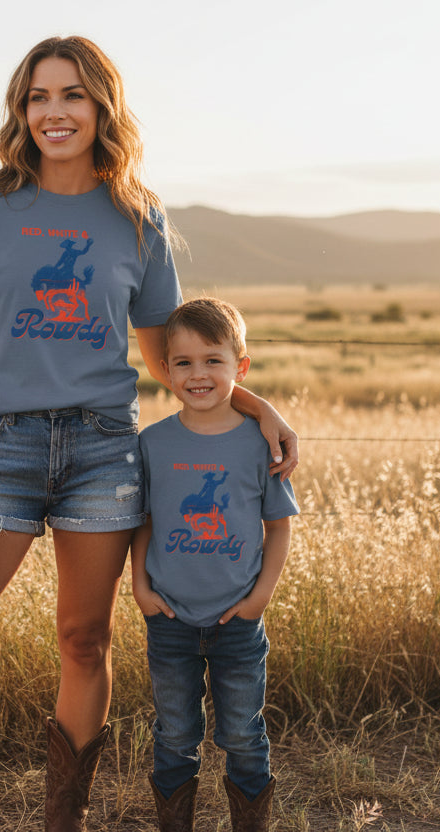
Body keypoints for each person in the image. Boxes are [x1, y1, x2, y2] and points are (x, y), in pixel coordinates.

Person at [0, 36, 299, 832]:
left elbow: (170, 357)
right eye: (38, 97)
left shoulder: (137, 218)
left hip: (102, 452)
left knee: (83, 641)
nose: (54, 112)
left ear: (101, 107)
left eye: (72, 95)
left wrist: (255, 407)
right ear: (21, 110)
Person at [130, 298, 299, 832]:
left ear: (240, 367)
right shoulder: (153, 443)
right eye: (183, 363)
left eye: (213, 361)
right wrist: (140, 588)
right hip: (170, 619)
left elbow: (279, 526)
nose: (197, 374)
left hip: (238, 622)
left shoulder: (260, 443)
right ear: (165, 370)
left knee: (243, 735)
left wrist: (259, 599)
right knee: (175, 735)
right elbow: (145, 521)